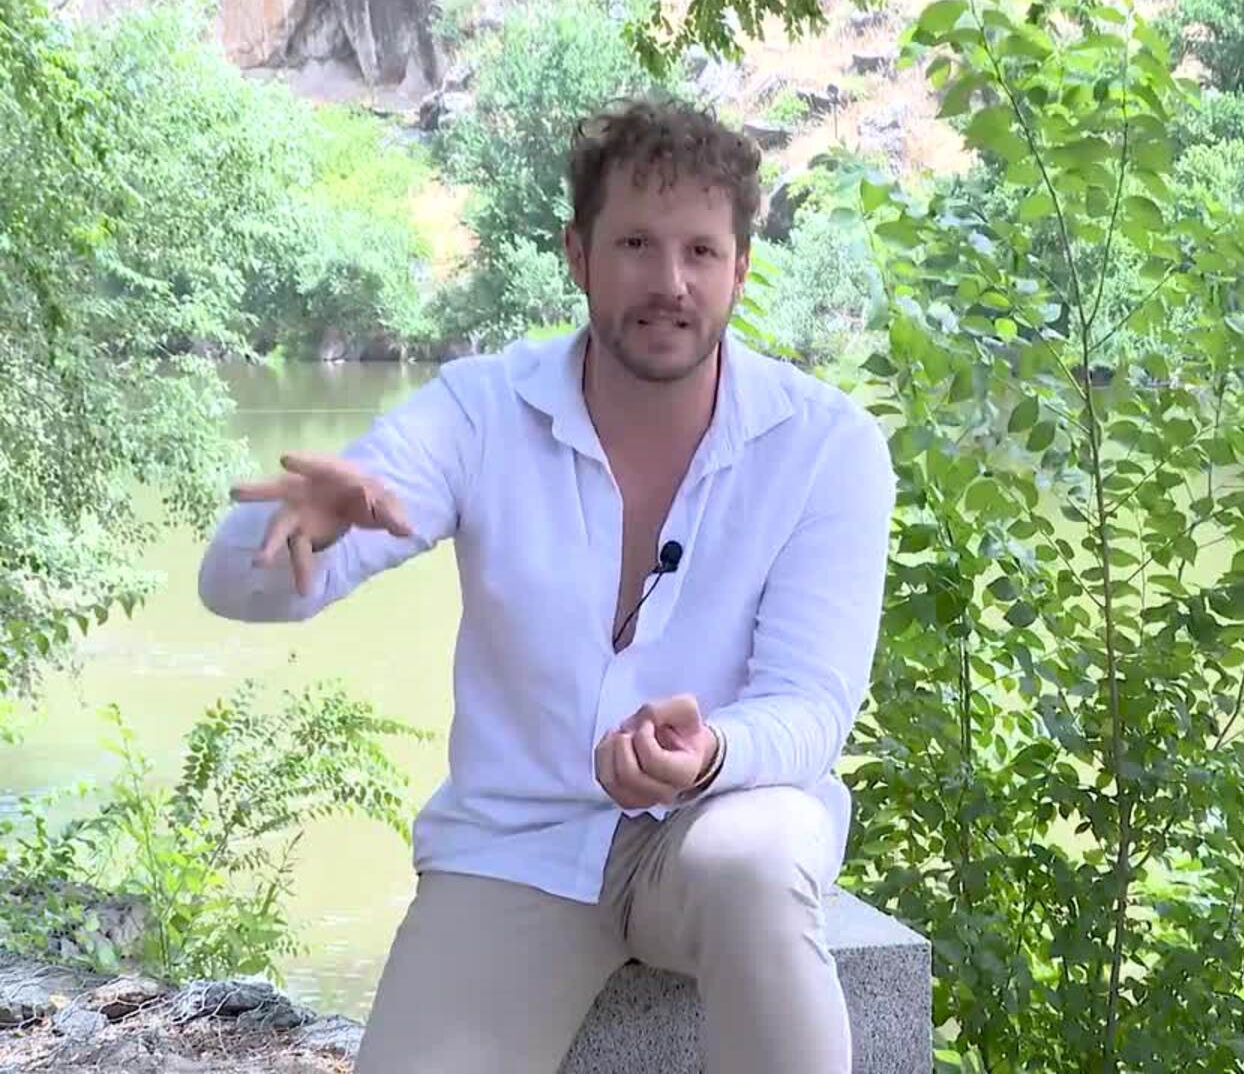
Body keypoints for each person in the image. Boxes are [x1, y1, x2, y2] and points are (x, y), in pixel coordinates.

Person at [196, 97, 895, 1074]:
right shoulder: (479, 411)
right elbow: (233, 590)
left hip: (717, 825)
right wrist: (299, 533)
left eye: (700, 251)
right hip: (514, 849)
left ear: (739, 268)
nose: (669, 282)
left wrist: (708, 754)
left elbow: (812, 704)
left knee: (761, 858)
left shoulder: (828, 447)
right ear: (578, 255)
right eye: (636, 244)